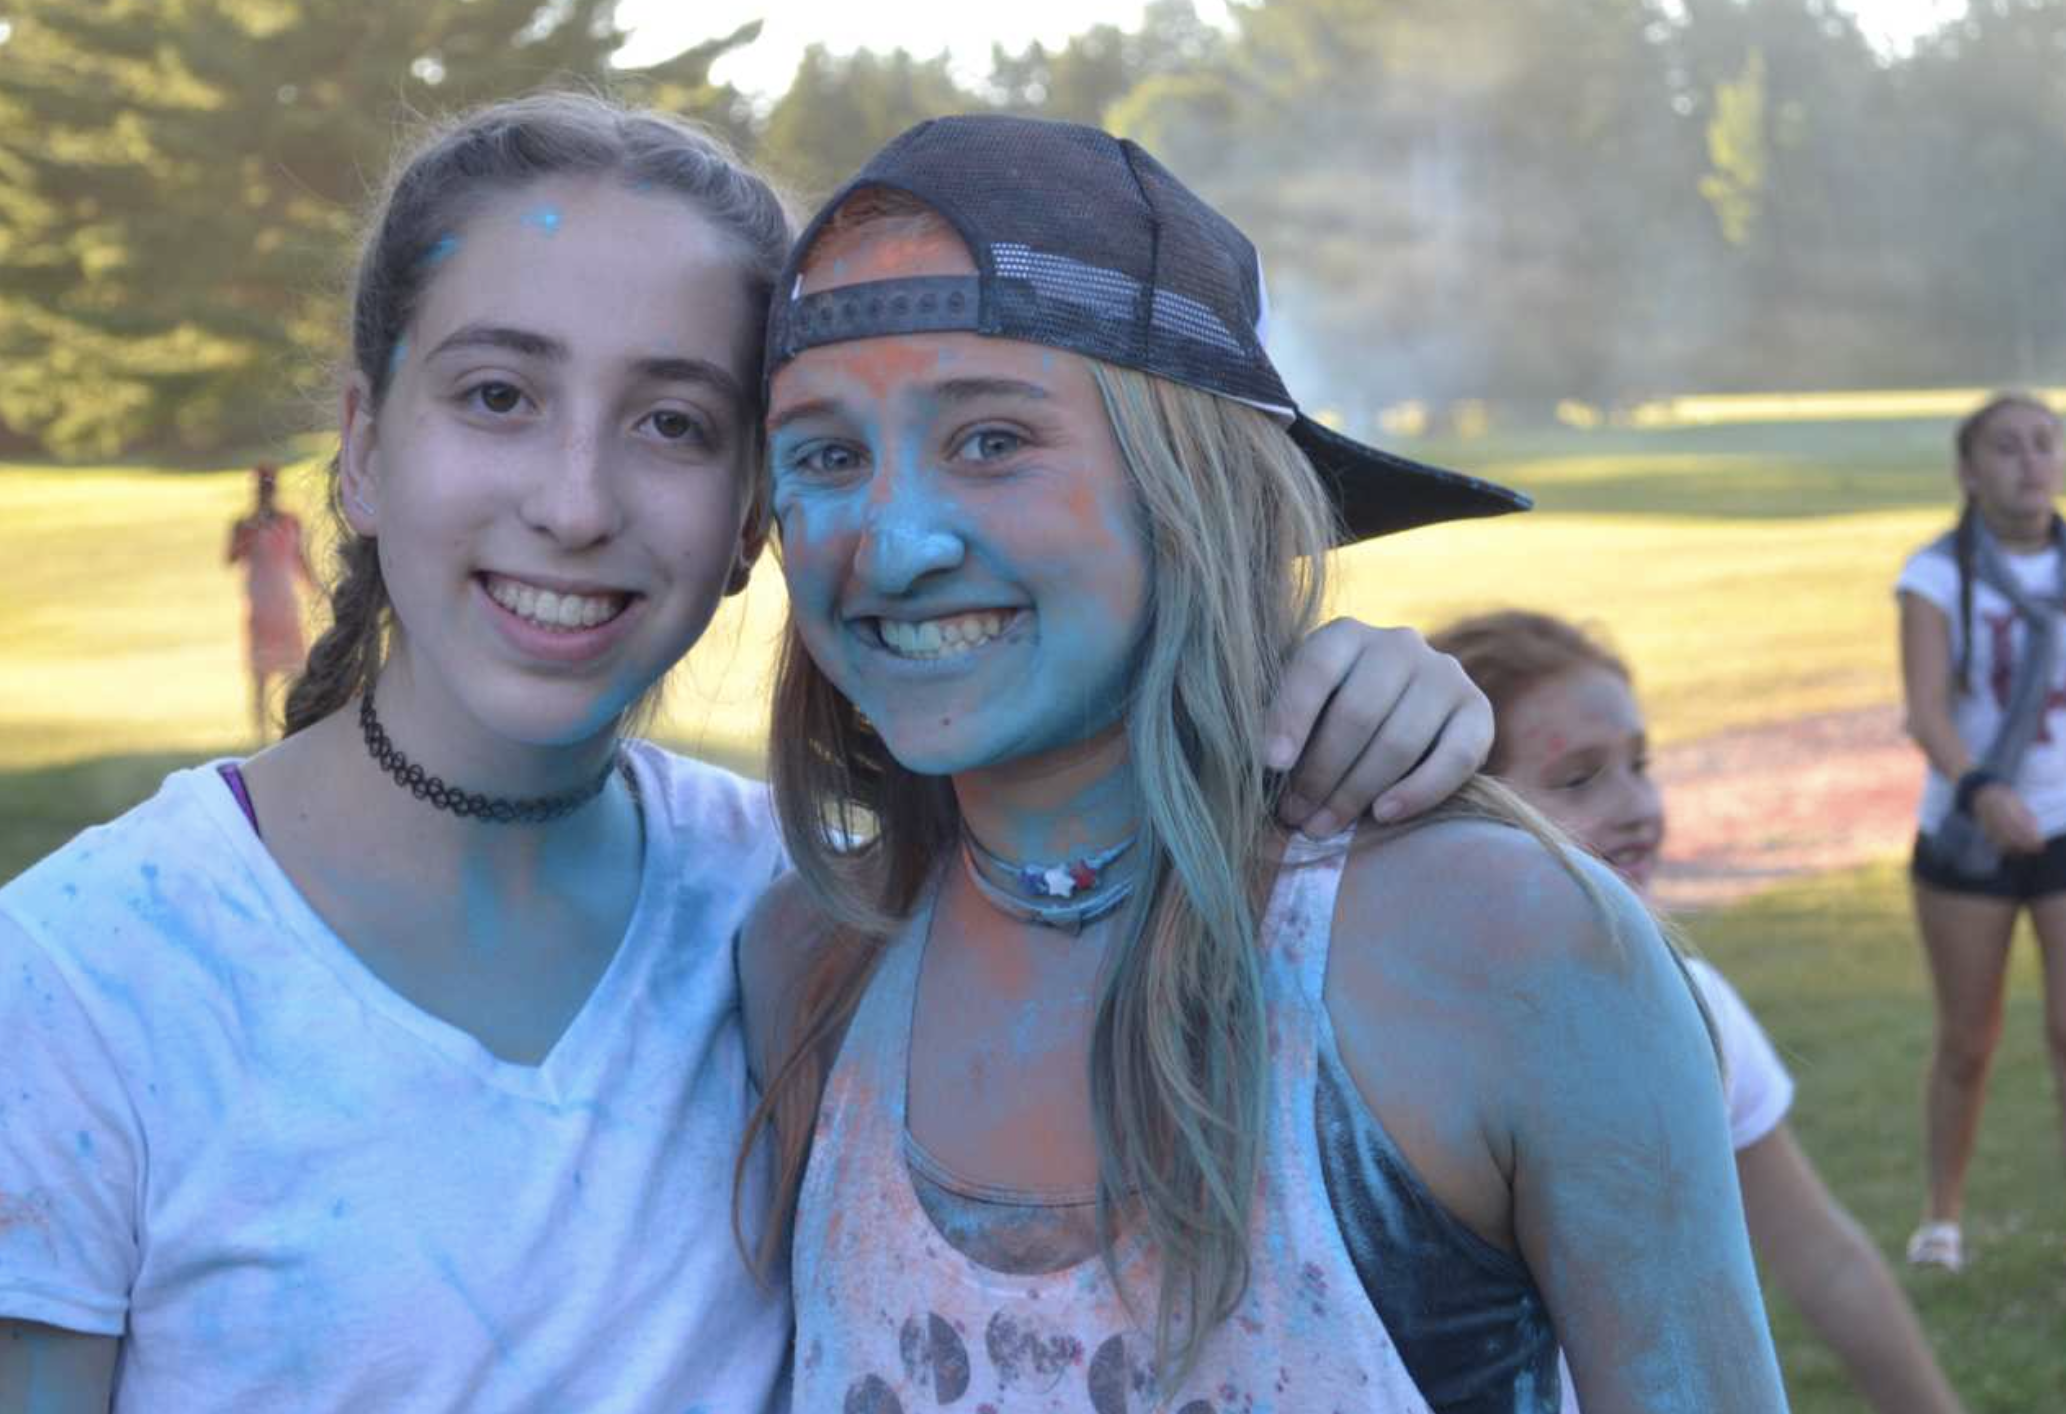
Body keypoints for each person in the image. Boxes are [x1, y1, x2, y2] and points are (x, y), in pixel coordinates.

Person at [0, 94, 1496, 1412]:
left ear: (749, 520)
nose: (574, 503)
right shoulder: (80, 979)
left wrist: (1335, 686)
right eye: (498, 396)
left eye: (672, 421)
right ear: (364, 446)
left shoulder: (813, 915)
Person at [740, 113, 1784, 1413]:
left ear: (1200, 487)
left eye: (991, 440)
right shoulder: (808, 963)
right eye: (826, 456)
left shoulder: (1506, 945)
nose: (892, 547)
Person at [1432, 608, 1969, 1414]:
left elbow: (1826, 1262)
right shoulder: (1408, 1034)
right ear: (1460, 809)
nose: (1636, 805)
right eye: (1578, 779)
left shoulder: (1690, 1006)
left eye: (1639, 764)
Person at [1895, 391, 2066, 1275]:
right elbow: (1927, 712)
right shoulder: (1934, 575)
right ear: (1968, 471)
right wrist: (1982, 789)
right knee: (1968, 1040)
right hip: (1968, 834)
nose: (2031, 462)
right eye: (2006, 447)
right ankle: (1942, 1219)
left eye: (2045, 443)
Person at [225, 461, 315, 741]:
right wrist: (250, 531)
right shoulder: (244, 524)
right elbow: (231, 558)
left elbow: (301, 561)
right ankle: (261, 736)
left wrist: (318, 591)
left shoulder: (290, 521)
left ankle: (291, 731)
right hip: (260, 605)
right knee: (260, 676)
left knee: (294, 674)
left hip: (285, 605)